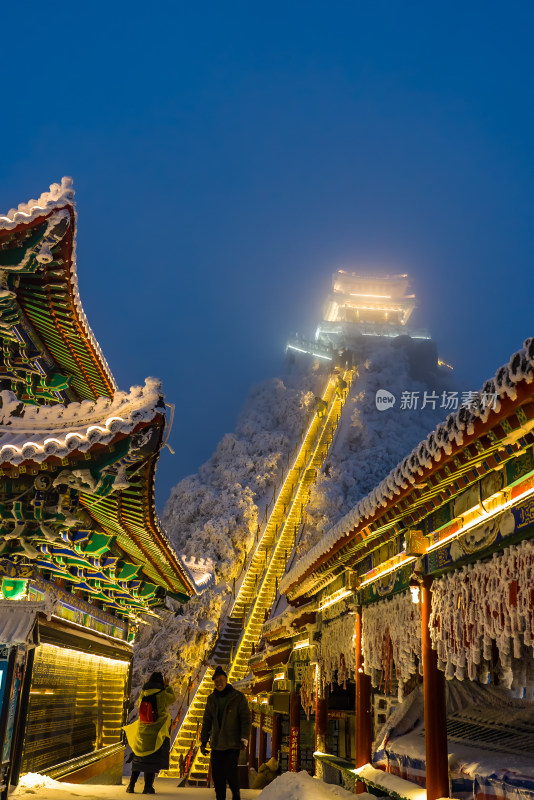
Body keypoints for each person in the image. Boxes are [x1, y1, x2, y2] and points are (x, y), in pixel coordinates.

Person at [200, 665, 251, 800]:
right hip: (216, 743)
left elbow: (246, 719)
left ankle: (236, 794)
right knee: (217, 775)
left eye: (221, 680)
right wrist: (203, 741)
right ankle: (220, 797)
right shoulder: (211, 699)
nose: (219, 683)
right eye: (216, 681)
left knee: (230, 771)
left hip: (232, 742)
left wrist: (244, 737)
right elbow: (206, 720)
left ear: (226, 680)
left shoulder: (238, 697)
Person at [123, 671, 176, 794]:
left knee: (138, 759)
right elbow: (172, 698)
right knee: (151, 761)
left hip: (142, 731)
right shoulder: (162, 695)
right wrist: (167, 687)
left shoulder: (143, 693)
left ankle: (131, 786)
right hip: (155, 733)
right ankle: (148, 787)